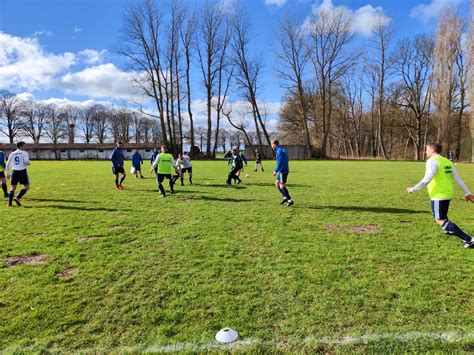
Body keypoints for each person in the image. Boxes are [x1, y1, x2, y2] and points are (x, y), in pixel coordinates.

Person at [406, 143, 474, 248]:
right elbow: (458, 179)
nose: (426, 152)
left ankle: (469, 240)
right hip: (446, 193)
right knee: (441, 217)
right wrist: (467, 193)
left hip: (438, 194)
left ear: (432, 150)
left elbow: (427, 178)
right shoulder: (447, 162)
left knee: (440, 219)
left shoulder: (432, 161)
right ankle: (448, 230)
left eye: (427, 149)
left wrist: (413, 189)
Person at [5, 141, 30, 207]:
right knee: (27, 187)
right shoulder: (24, 153)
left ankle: (9, 203)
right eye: (24, 145)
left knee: (13, 187)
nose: (25, 147)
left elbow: (7, 164)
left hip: (14, 171)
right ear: (20, 146)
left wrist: (7, 173)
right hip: (22, 171)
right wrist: (28, 162)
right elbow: (27, 162)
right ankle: (17, 198)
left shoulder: (12, 153)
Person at [272, 140, 294, 207]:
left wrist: (276, 170)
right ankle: (284, 197)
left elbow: (280, 162)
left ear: (274, 144)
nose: (271, 146)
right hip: (283, 170)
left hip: (282, 171)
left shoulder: (279, 151)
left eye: (272, 144)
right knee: (277, 184)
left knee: (281, 185)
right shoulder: (281, 149)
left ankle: (290, 200)